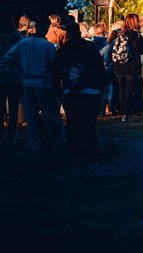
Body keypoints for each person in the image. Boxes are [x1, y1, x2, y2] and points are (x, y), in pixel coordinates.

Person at [4, 23, 65, 151]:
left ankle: (35, 144)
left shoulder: (25, 43)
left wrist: (20, 68)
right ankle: (57, 142)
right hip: (43, 82)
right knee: (50, 114)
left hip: (27, 82)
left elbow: (9, 56)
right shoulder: (48, 46)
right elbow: (54, 66)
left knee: (31, 116)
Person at [52, 21, 106, 156]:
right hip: (91, 90)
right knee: (88, 123)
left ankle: (75, 148)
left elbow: (55, 72)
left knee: (73, 122)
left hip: (71, 91)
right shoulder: (90, 47)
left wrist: (59, 92)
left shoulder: (63, 50)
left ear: (68, 34)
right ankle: (89, 148)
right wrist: (101, 89)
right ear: (80, 32)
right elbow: (100, 69)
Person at [112, 14, 143, 122]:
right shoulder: (136, 35)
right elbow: (142, 50)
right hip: (131, 65)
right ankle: (126, 114)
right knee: (129, 90)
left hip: (118, 65)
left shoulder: (120, 34)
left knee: (121, 89)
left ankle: (123, 112)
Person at [1, 25, 24, 146]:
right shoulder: (18, 38)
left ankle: (0, 137)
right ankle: (11, 137)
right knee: (13, 109)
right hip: (14, 77)